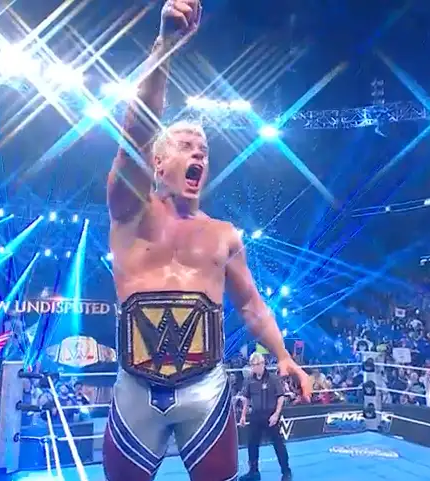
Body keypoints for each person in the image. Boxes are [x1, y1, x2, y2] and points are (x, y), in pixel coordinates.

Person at [100, 1, 312, 480]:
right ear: (158, 163)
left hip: (206, 391)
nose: (199, 154)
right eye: (185, 147)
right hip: (135, 389)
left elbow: (252, 305)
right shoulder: (129, 210)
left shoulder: (224, 234)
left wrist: (282, 356)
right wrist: (164, 48)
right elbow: (136, 133)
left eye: (204, 150)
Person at [236, 353, 292, 481]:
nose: (255, 367)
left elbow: (281, 397)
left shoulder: (273, 378)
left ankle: (286, 471)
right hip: (255, 415)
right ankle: (253, 472)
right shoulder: (249, 380)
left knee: (278, 444)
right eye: (252, 365)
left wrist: (276, 414)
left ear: (262, 364)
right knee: (252, 444)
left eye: (257, 364)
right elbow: (246, 399)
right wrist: (243, 415)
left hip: (270, 416)